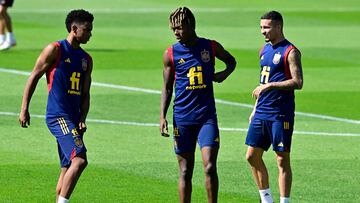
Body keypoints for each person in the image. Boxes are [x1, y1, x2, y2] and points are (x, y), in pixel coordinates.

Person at [160, 7, 236, 203]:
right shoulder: (170, 54)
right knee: (185, 171)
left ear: (191, 26)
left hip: (206, 117)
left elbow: (231, 61)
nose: (176, 33)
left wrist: (223, 75)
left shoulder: (210, 47)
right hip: (183, 118)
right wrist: (162, 117)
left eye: (179, 28)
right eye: (173, 29)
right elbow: (167, 88)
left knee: (209, 166)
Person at [19, 9, 93, 203]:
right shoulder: (55, 49)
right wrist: (24, 108)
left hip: (73, 119)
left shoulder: (86, 60)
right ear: (73, 28)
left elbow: (85, 94)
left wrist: (82, 118)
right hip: (58, 116)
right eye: (86, 30)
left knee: (67, 167)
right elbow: (34, 76)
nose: (90, 34)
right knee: (80, 160)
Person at [245, 11, 303, 203]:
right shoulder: (264, 50)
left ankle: (284, 201)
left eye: (267, 27)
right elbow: (262, 81)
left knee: (281, 158)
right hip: (262, 111)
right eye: (261, 27)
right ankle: (266, 200)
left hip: (280, 113)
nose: (263, 31)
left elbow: (298, 82)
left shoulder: (291, 51)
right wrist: (255, 108)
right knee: (252, 156)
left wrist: (270, 86)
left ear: (278, 27)